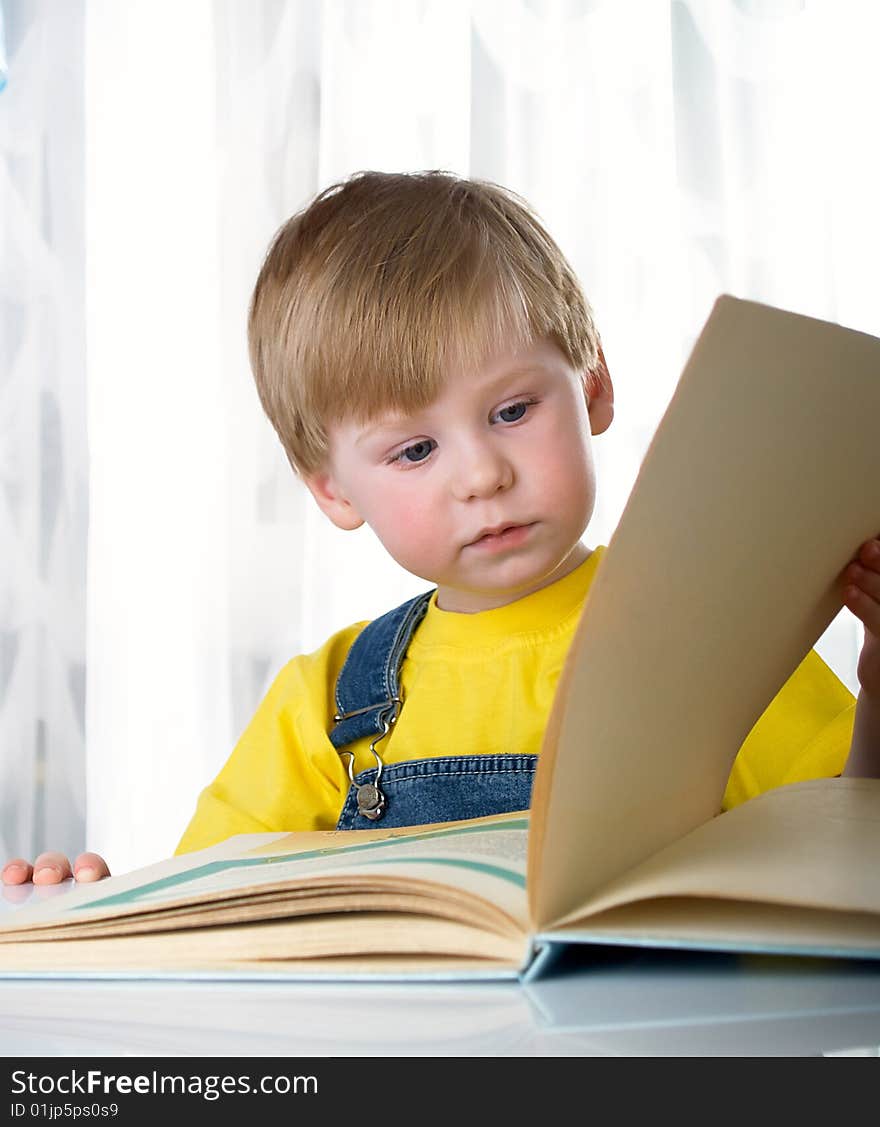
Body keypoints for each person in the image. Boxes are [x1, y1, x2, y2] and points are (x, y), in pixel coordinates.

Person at [4, 170, 880, 888]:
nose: (482, 474)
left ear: (594, 386)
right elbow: (210, 912)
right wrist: (86, 905)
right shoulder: (330, 701)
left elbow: (847, 845)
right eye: (415, 448)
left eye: (511, 409)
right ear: (333, 491)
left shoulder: (714, 641)